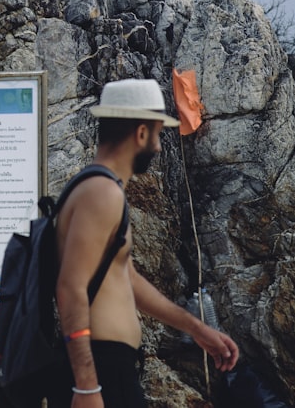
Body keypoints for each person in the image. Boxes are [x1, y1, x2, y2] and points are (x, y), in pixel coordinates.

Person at [51, 79, 239, 408]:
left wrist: (196, 328)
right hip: (101, 371)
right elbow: (70, 287)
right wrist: (86, 386)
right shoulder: (101, 193)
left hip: (112, 369)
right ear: (140, 133)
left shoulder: (100, 188)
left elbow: (127, 278)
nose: (159, 147)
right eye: (157, 135)